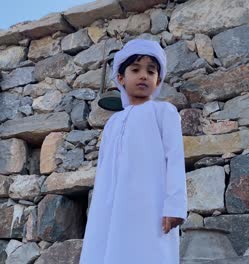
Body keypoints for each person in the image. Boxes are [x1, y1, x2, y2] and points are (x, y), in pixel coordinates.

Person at [80, 39, 188, 264]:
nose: (143, 76)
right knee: (106, 250)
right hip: (110, 205)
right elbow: (103, 169)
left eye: (151, 71)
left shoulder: (164, 112)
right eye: (135, 69)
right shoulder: (113, 123)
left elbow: (175, 159)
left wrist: (175, 205)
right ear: (120, 78)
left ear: (158, 80)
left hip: (151, 203)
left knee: (149, 251)